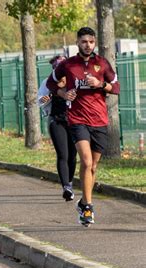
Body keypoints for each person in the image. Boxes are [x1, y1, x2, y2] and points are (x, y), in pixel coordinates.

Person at [47, 27, 120, 226]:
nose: (87, 45)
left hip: (99, 120)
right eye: (84, 41)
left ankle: (82, 201)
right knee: (86, 162)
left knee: (93, 166)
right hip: (77, 119)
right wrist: (63, 94)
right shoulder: (68, 65)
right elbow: (51, 84)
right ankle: (88, 207)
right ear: (77, 42)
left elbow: (116, 87)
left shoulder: (102, 64)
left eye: (91, 42)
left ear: (94, 43)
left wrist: (100, 84)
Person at [38, 55, 77, 202]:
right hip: (57, 120)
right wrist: (45, 99)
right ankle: (66, 187)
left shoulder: (74, 81)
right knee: (63, 154)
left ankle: (70, 182)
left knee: (72, 156)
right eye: (56, 68)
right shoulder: (48, 83)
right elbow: (39, 100)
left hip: (74, 122)